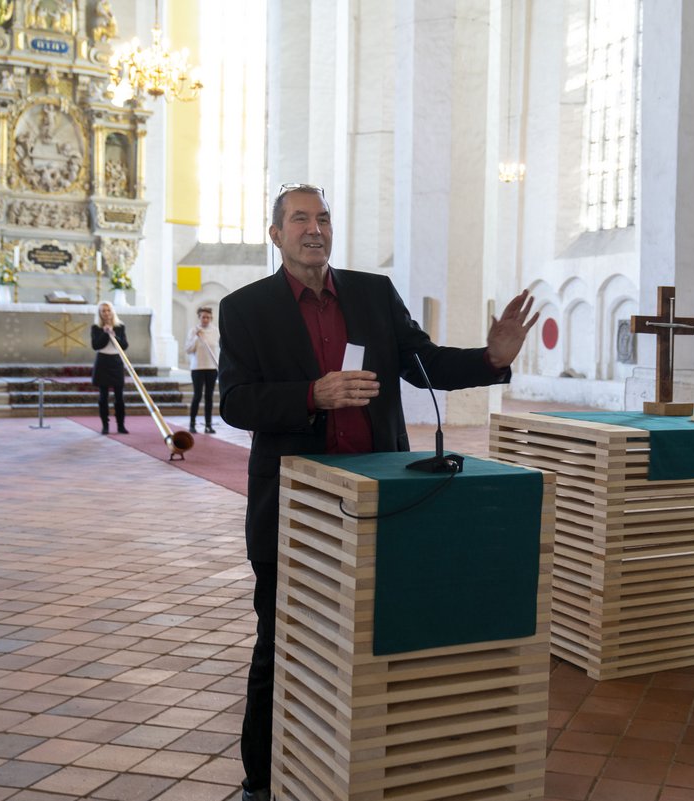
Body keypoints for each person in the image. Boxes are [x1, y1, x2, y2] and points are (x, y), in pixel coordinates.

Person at [218, 184, 537, 801]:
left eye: (324, 218)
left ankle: (370, 760)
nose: (315, 229)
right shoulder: (246, 308)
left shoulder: (372, 293)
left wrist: (491, 358)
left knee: (378, 634)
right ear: (276, 235)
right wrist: (314, 395)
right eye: (300, 219)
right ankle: (263, 776)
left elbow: (427, 366)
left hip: (382, 503)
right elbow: (234, 402)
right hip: (295, 508)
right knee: (280, 642)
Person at [91, 300, 128, 435]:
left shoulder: (120, 326)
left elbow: (124, 345)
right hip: (102, 362)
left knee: (119, 397)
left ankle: (121, 425)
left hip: (116, 361)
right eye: (103, 311)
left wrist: (113, 334)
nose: (106, 313)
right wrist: (105, 333)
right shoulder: (96, 327)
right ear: (100, 314)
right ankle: (105, 425)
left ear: (112, 311)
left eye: (108, 310)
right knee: (103, 397)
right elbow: (96, 346)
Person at [184, 305, 220, 433]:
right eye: (203, 317)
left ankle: (208, 425)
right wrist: (196, 338)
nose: (206, 320)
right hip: (197, 368)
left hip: (211, 368)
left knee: (209, 397)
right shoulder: (193, 331)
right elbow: (188, 350)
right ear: (199, 318)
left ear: (211, 318)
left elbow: (217, 348)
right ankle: (192, 424)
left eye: (208, 317)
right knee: (197, 395)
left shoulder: (215, 331)